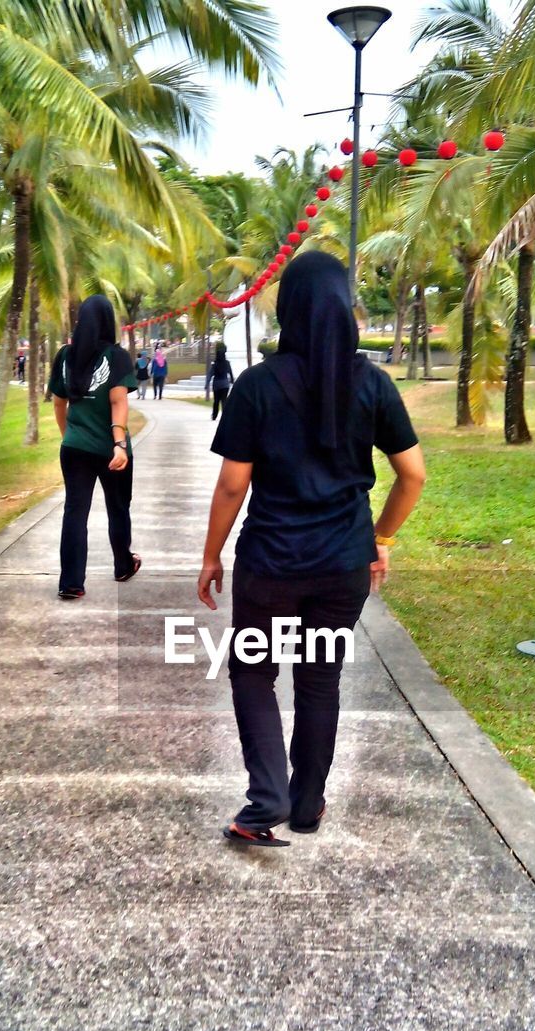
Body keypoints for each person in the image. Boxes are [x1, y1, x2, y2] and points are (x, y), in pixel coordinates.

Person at [198, 251, 426, 848]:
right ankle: (305, 805)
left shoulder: (256, 386)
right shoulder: (373, 384)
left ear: (292, 310)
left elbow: (232, 484)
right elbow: (413, 475)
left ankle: (265, 797)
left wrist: (210, 555)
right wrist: (381, 538)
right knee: (320, 682)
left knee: (253, 673)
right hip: (343, 564)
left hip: (270, 563)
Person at [48, 295, 140, 600]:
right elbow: (117, 401)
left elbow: (59, 402)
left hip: (74, 449)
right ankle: (123, 565)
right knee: (118, 507)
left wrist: (68, 435)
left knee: (75, 512)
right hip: (109, 449)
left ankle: (71, 583)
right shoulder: (117, 357)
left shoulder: (65, 356)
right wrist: (119, 446)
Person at [206, 342, 234, 421]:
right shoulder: (227, 363)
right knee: (224, 400)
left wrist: (207, 383)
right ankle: (225, 416)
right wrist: (232, 381)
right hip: (225, 384)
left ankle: (214, 415)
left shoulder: (215, 364)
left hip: (217, 385)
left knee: (216, 401)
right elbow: (230, 373)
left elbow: (210, 374)